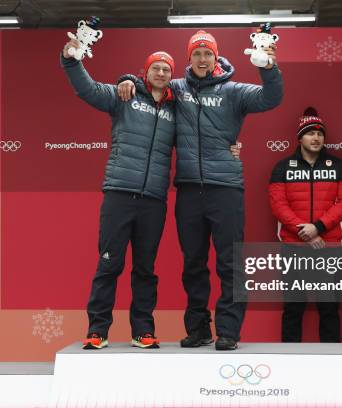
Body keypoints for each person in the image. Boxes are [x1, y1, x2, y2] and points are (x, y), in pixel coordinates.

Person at [118, 29, 283, 350]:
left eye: (208, 53)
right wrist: (127, 79)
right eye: (197, 54)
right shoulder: (177, 89)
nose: (203, 59)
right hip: (189, 190)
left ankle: (228, 330)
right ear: (189, 58)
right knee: (193, 263)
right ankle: (198, 329)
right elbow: (150, 83)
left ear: (216, 57)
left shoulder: (234, 91)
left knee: (229, 263)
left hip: (226, 189)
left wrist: (268, 67)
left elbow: (271, 97)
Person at [61, 37, 177, 349]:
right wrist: (72, 61)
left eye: (167, 69)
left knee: (145, 268)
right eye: (156, 67)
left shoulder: (177, 108)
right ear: (146, 71)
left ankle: (143, 331)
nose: (162, 72)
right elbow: (87, 89)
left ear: (171, 75)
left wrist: (230, 146)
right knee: (109, 263)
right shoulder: (123, 96)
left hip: (154, 200)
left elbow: (205, 132)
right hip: (120, 194)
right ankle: (98, 330)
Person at [268, 107, 342, 342]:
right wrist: (305, 232)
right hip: (294, 247)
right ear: (300, 137)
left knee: (329, 309)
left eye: (320, 134)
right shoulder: (282, 168)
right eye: (310, 133)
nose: (316, 138)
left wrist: (318, 227)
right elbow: (279, 206)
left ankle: (331, 362)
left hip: (329, 246)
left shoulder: (338, 166)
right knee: (293, 309)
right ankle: (289, 362)